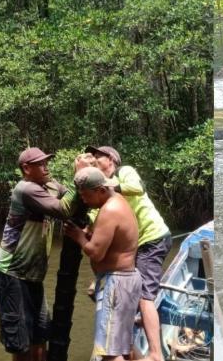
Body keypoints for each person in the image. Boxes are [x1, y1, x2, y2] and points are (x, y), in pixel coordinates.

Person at [0, 147, 80, 361]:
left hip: (32, 277)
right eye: (40, 164)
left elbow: (66, 194)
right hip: (12, 274)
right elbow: (64, 209)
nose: (46, 166)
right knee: (20, 343)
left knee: (40, 334)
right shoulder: (26, 189)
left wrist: (72, 190)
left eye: (46, 162)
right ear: (26, 168)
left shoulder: (47, 184)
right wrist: (80, 178)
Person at [85, 145, 171, 361]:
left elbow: (137, 188)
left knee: (144, 294)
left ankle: (155, 354)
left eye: (98, 157)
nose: (94, 159)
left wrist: (107, 183)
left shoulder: (125, 173)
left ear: (112, 161)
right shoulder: (101, 199)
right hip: (131, 248)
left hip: (152, 238)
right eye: (92, 157)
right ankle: (134, 347)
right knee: (118, 290)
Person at [64, 167, 142, 361]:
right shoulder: (119, 202)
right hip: (126, 280)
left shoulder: (109, 210)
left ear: (101, 190)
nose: (83, 200)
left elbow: (96, 253)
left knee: (109, 353)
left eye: (85, 195)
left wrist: (79, 236)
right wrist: (90, 235)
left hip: (116, 284)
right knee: (126, 346)